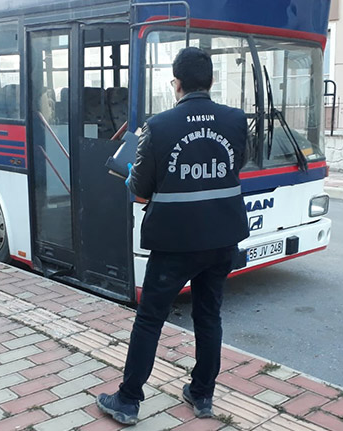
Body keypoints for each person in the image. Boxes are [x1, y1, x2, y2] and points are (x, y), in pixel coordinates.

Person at [96, 47, 250, 425]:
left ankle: (128, 401)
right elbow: (235, 167)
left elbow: (141, 190)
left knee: (150, 319)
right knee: (209, 316)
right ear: (211, 82)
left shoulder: (159, 126)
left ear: (176, 84)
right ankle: (202, 395)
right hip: (221, 239)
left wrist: (130, 170)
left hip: (175, 243)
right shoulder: (235, 120)